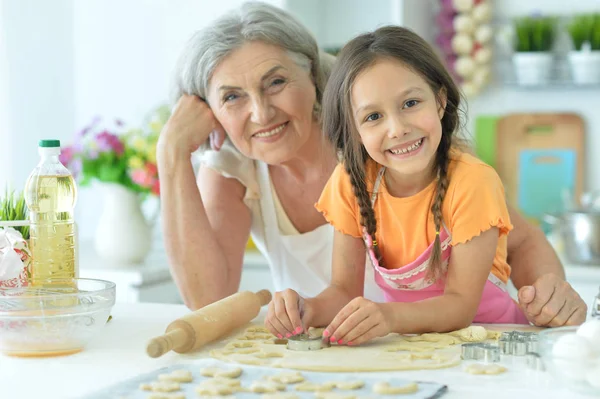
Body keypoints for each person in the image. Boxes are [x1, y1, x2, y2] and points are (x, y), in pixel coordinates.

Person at [156, 1, 587, 329]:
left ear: (312, 76)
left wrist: (549, 291)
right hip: (350, 354)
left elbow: (521, 241)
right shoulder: (234, 167)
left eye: (277, 82)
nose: (262, 113)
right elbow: (207, 304)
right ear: (209, 110)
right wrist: (172, 152)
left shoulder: (395, 145)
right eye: (231, 96)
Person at [267, 25, 533, 343]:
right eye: (373, 117)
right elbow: (342, 292)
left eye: (410, 104)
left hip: (492, 342)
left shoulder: (473, 182)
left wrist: (388, 316)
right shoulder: (352, 182)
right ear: (355, 131)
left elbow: (460, 306)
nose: (397, 129)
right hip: (413, 345)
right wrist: (305, 309)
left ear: (439, 100)